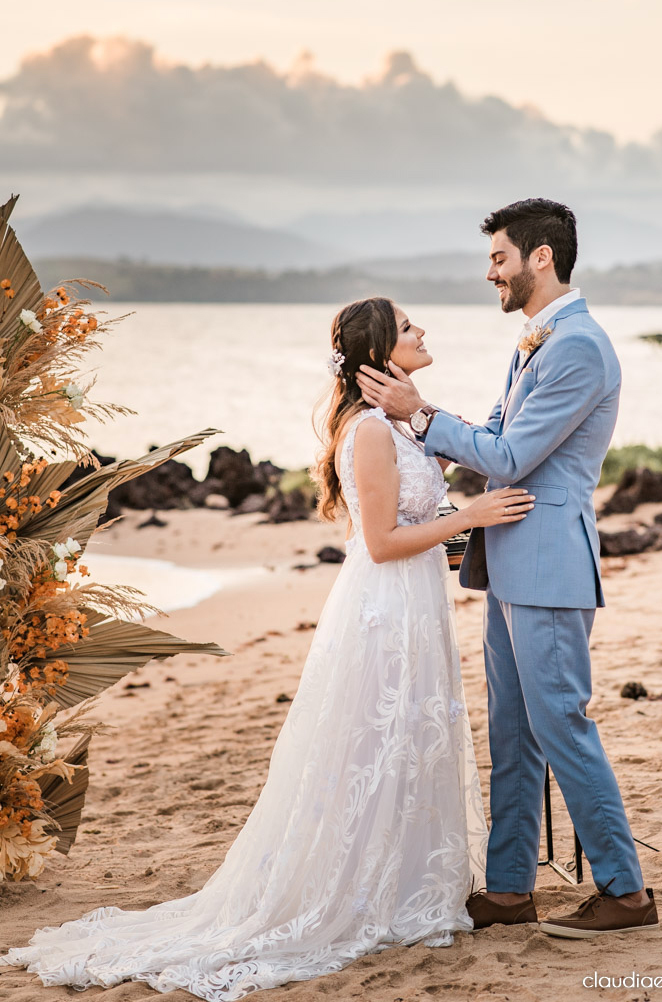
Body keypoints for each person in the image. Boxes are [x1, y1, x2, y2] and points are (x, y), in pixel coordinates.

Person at [2, 296, 534, 999]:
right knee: (374, 744)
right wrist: (466, 517)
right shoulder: (371, 432)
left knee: (408, 737)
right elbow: (378, 543)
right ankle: (360, 888)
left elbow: (412, 509)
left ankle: (406, 882)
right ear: (378, 351)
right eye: (408, 327)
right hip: (383, 607)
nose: (423, 330)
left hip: (413, 602)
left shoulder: (399, 423)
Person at [357, 199, 659, 939]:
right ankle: (509, 887)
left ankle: (623, 891)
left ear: (540, 258)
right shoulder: (536, 341)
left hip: (549, 561)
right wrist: (402, 434)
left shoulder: (578, 346)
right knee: (513, 728)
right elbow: (495, 430)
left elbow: (510, 458)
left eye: (498, 257)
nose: (489, 270)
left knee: (561, 722)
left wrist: (422, 416)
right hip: (509, 561)